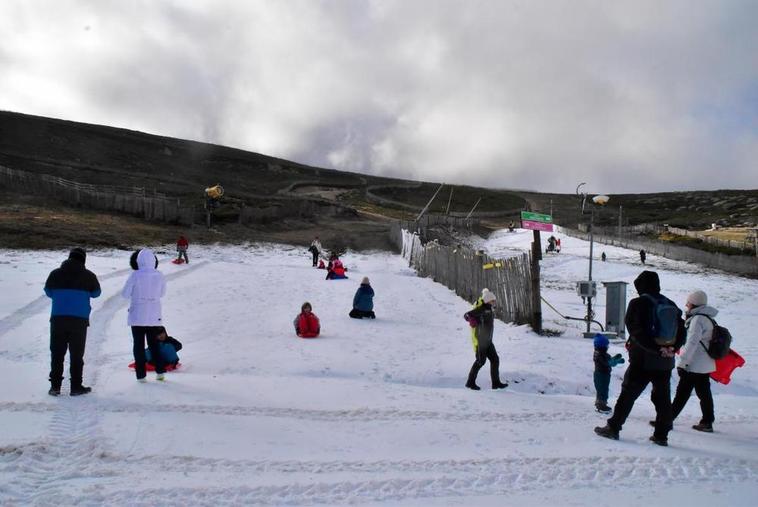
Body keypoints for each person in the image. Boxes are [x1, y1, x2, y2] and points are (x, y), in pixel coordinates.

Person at [594, 270, 685, 446]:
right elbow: (682, 331)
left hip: (643, 360)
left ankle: (613, 428)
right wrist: (672, 349)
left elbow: (636, 332)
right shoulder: (671, 304)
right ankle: (661, 436)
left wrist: (654, 349)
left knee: (628, 394)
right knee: (663, 398)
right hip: (665, 362)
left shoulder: (637, 303)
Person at [44, 248, 101, 396]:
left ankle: (55, 386)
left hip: (58, 319)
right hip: (79, 321)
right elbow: (96, 293)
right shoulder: (89, 276)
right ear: (83, 260)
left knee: (57, 353)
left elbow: (48, 291)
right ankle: (76, 387)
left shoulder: (55, 274)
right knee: (76, 355)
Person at [669, 290, 717, 432]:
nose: (686, 305)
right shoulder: (708, 318)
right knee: (704, 393)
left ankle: (666, 419)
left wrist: (683, 363)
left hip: (694, 364)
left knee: (682, 393)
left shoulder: (697, 320)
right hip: (705, 363)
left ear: (694, 304)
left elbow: (692, 343)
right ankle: (707, 421)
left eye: (688, 302)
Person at [122, 248, 168, 382]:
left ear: (138, 261)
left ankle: (141, 376)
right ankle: (160, 373)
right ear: (154, 261)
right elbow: (162, 293)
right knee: (154, 345)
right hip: (154, 316)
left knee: (138, 346)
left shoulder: (135, 275)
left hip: (137, 316)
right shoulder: (160, 275)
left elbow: (124, 294)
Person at [463, 288, 508, 390]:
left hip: (488, 341)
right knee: (480, 361)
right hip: (482, 341)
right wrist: (472, 321)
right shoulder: (482, 309)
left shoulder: (488, 309)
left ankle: (496, 383)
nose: (494, 302)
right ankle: (470, 382)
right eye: (493, 300)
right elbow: (467, 315)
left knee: (495, 360)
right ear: (488, 300)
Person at [593, 334, 625, 413]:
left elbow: (609, 361)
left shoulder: (601, 354)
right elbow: (608, 363)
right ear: (602, 346)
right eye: (607, 345)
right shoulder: (600, 355)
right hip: (601, 375)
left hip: (602, 374)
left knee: (602, 389)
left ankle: (601, 404)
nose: (608, 347)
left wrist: (615, 359)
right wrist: (615, 361)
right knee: (602, 390)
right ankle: (601, 405)